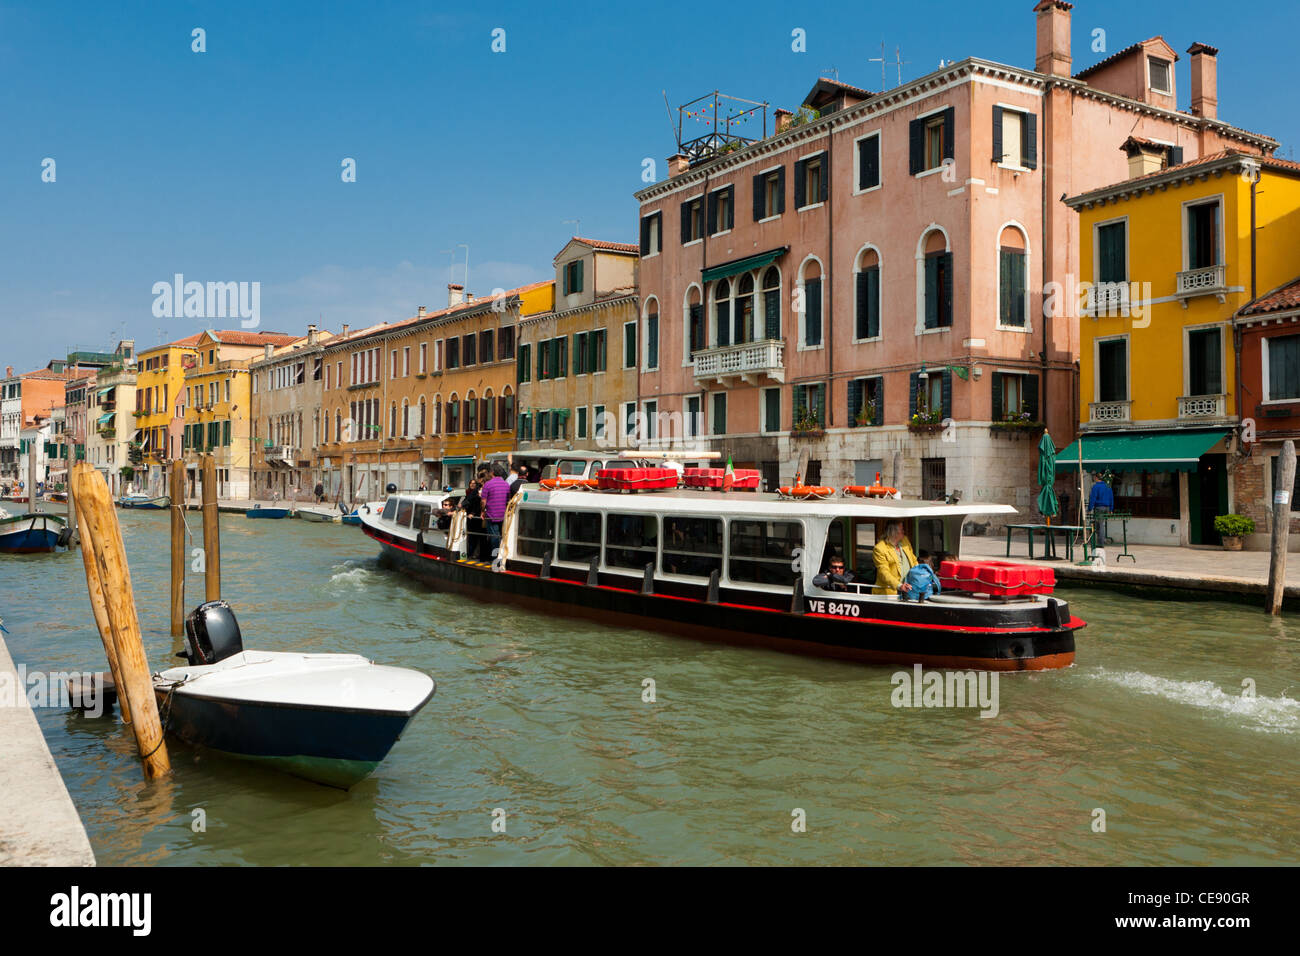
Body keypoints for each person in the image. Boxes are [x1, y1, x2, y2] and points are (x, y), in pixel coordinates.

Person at [872, 519, 919, 596]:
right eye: (902, 529)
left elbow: (914, 561)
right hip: (889, 593)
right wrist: (899, 586)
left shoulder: (905, 540)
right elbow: (883, 573)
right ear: (894, 532)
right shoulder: (879, 548)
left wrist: (919, 576)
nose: (904, 531)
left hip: (910, 589)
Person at [481, 463, 509, 557]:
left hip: (492, 515)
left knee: (494, 538)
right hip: (504, 515)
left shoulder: (488, 485)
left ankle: (495, 559)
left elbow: (483, 502)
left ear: (492, 472)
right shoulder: (506, 484)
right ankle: (501, 557)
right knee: (502, 537)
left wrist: (482, 512)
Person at [461, 480, 484, 558]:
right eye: (471, 483)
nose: (472, 484)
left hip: (475, 518)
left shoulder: (476, 495)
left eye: (474, 483)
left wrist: (473, 513)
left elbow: (477, 505)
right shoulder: (467, 493)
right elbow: (464, 503)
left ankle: (472, 554)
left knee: (474, 536)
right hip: (468, 517)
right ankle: (470, 553)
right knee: (470, 536)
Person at [1088, 473, 1114, 544]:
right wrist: (1111, 509)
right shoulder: (1108, 486)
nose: (1093, 479)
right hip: (1107, 508)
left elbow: (1092, 498)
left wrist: (1089, 509)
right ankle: (1102, 539)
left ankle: (1101, 542)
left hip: (1099, 507)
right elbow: (1111, 498)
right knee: (1100, 524)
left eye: (1094, 477)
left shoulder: (1095, 487)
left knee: (1100, 525)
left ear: (1096, 478)